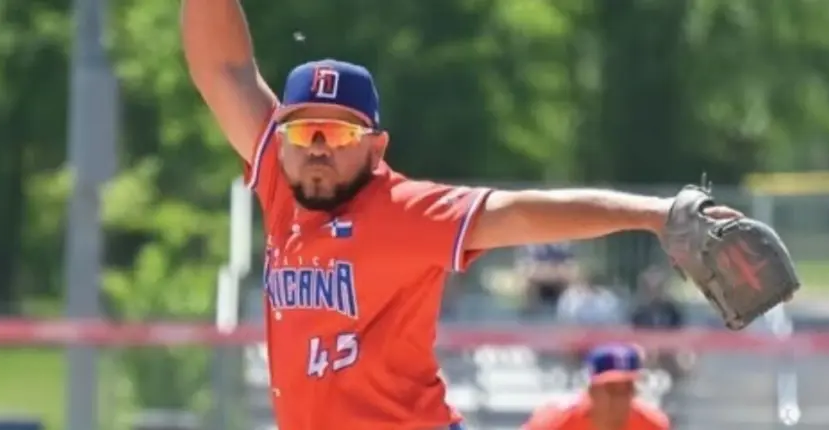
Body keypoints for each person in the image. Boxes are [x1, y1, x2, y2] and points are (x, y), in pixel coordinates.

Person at [181, 1, 742, 428]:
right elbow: (221, 66)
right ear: (279, 142)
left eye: (341, 131)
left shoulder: (404, 210)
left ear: (376, 148)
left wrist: (658, 215)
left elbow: (522, 214)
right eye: (304, 130)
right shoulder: (283, 185)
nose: (319, 146)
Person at [522, 344, 670, 430]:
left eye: (627, 389)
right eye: (611, 389)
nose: (620, 400)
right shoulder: (554, 421)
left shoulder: (652, 424)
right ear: (592, 391)